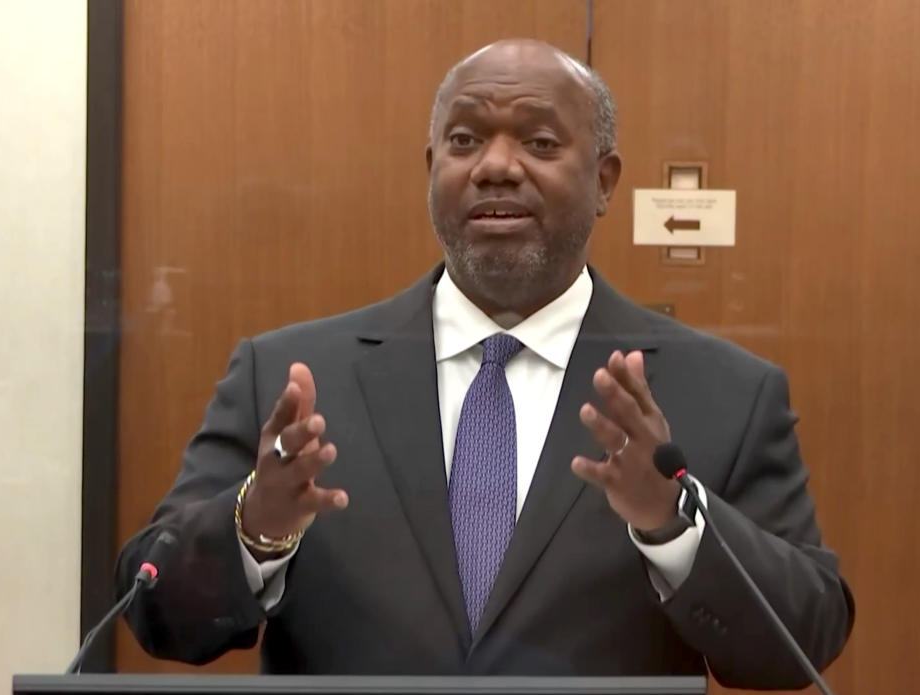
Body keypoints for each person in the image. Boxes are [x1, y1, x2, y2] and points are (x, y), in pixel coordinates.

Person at [118, 39, 853, 688]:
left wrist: (673, 525)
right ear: (432, 167)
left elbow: (802, 644)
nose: (495, 166)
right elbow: (154, 613)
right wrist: (252, 528)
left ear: (604, 181)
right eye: (465, 140)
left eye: (537, 142)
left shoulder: (724, 391)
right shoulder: (289, 379)